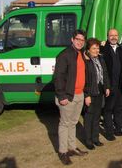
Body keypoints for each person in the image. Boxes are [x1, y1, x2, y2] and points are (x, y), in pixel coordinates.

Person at [54, 29, 88, 165]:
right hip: (67, 96)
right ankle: (63, 151)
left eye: (82, 40)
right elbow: (58, 77)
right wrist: (61, 95)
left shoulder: (79, 54)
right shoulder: (64, 55)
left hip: (79, 94)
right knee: (64, 124)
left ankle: (72, 148)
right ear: (72, 39)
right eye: (78, 39)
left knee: (73, 123)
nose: (80, 42)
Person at [101, 28, 122, 141]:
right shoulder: (103, 49)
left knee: (119, 108)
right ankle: (109, 132)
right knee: (108, 109)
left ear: (118, 37)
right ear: (108, 37)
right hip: (110, 86)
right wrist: (106, 86)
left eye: (115, 35)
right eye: (111, 35)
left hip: (121, 85)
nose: (113, 37)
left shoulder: (121, 49)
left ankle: (118, 129)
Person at [83, 38, 110, 150]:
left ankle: (95, 138)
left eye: (97, 47)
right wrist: (86, 95)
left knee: (97, 115)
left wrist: (107, 87)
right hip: (90, 90)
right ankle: (88, 141)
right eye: (94, 48)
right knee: (89, 116)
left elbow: (105, 72)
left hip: (99, 90)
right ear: (88, 49)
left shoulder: (100, 58)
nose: (96, 50)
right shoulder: (85, 60)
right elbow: (83, 79)